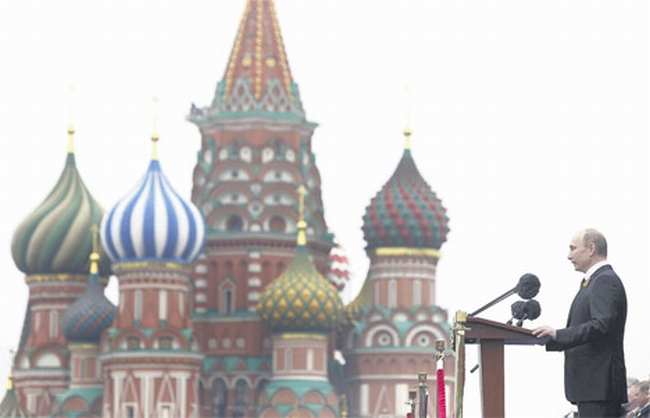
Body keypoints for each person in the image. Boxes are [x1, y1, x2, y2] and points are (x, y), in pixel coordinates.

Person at [533, 228, 627, 417]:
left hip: (599, 387)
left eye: (573, 248)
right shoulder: (592, 282)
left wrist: (558, 334)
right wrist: (552, 338)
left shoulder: (604, 281)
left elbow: (601, 325)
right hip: (592, 388)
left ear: (591, 249)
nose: (569, 256)